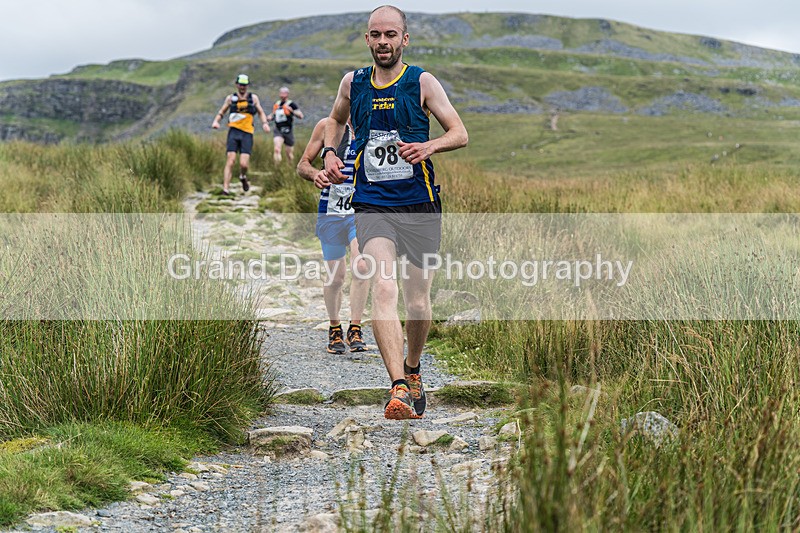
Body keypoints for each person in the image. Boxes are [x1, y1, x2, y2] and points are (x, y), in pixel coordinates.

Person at [323, 5, 468, 420]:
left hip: (420, 203)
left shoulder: (421, 81)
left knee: (418, 300)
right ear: (367, 39)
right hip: (372, 203)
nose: (382, 42)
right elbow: (335, 119)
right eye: (376, 34)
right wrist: (330, 151)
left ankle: (413, 367)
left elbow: (459, 132)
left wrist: (429, 146)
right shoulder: (353, 82)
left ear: (404, 39)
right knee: (383, 288)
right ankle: (398, 387)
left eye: (390, 35)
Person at [297, 118, 370, 354]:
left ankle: (355, 328)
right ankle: (335, 327)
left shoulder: (374, 123)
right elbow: (302, 165)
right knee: (336, 277)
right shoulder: (326, 126)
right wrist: (315, 174)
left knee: (362, 266)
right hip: (331, 212)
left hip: (361, 211)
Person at [211, 74, 270, 195]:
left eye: (244, 85)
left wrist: (265, 123)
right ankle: (225, 189)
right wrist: (216, 121)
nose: (242, 87)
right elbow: (222, 112)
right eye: (240, 85)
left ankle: (243, 176)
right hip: (233, 132)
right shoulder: (230, 98)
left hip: (247, 133)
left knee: (244, 164)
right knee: (230, 160)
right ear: (237, 85)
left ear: (247, 85)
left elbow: (261, 112)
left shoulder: (253, 98)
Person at [266, 86, 304, 163]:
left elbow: (300, 115)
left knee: (289, 153)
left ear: (287, 94)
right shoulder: (277, 104)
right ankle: (277, 166)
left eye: (284, 93)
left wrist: (292, 111)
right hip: (278, 129)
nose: (282, 95)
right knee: (277, 149)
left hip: (288, 130)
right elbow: (273, 114)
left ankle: (290, 166)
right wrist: (269, 118)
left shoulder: (291, 104)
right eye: (281, 93)